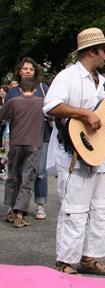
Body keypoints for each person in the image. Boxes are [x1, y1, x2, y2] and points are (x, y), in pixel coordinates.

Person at [44, 27, 105, 275]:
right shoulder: (67, 77)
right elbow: (51, 106)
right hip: (73, 152)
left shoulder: (104, 82)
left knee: (101, 208)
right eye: (104, 51)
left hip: (101, 151)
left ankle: (91, 257)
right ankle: (65, 259)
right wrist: (84, 113)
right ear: (92, 52)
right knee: (74, 209)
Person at [5, 57, 51, 221]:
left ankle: (39, 205)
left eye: (31, 69)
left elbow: (52, 110)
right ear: (19, 71)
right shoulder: (13, 91)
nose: (28, 71)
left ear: (35, 71)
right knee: (16, 173)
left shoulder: (43, 88)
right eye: (25, 69)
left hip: (41, 135)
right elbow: (7, 114)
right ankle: (15, 207)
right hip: (18, 136)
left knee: (39, 172)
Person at [0, 78, 44, 228]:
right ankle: (20, 214)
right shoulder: (41, 102)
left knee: (12, 176)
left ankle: (11, 209)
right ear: (35, 89)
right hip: (33, 144)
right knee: (27, 179)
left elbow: (2, 116)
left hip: (16, 143)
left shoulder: (13, 102)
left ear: (20, 89)